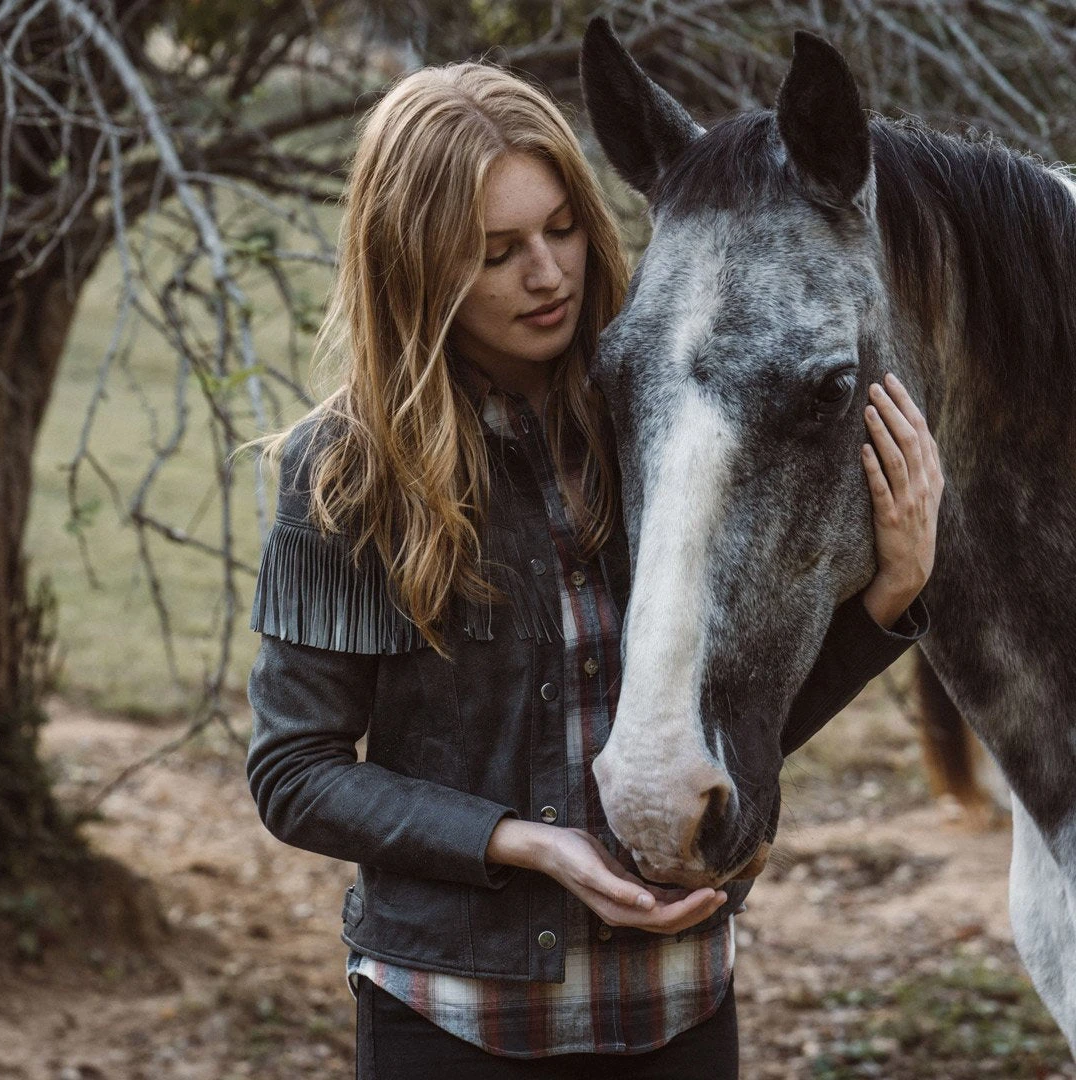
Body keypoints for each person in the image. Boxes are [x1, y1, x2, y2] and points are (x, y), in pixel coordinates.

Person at [245, 60, 940, 1079]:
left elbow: (714, 734)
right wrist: (527, 844)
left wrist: (887, 600)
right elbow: (293, 773)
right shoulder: (348, 472)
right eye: (496, 252)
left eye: (561, 228)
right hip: (451, 1023)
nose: (549, 273)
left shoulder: (660, 423)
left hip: (680, 1004)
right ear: (415, 266)